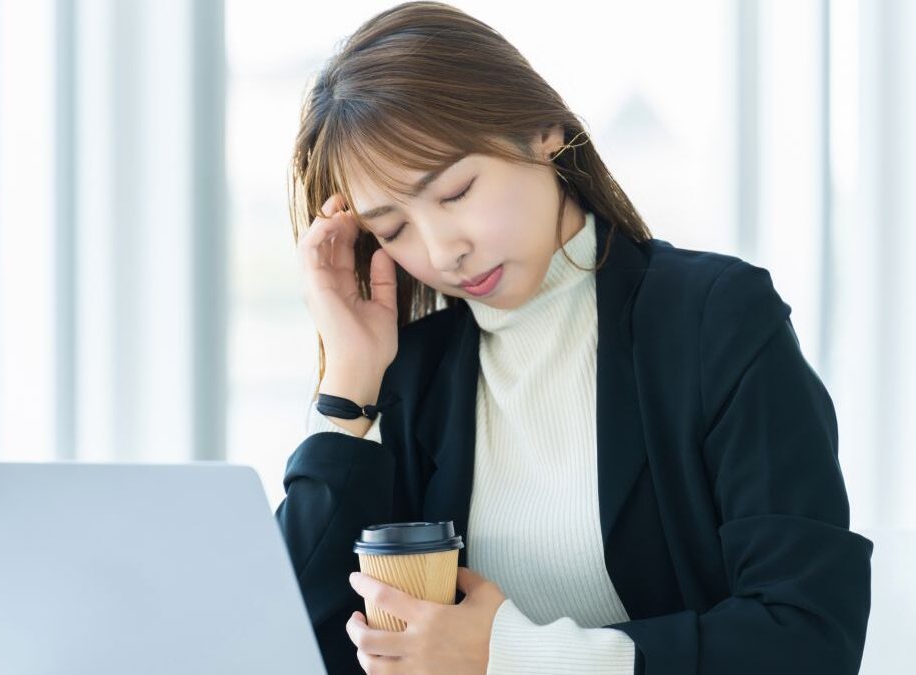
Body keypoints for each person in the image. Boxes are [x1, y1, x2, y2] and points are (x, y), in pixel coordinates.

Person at [274, 2, 873, 674]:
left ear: (543, 129)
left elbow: (808, 635)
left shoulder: (715, 320)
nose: (445, 251)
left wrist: (509, 653)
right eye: (393, 229)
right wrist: (348, 384)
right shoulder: (415, 374)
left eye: (456, 190)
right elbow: (294, 645)